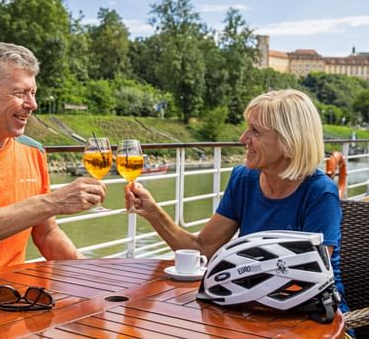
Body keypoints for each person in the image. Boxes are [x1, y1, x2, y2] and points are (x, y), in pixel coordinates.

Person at [125, 89, 349, 314]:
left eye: (255, 131)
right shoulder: (244, 179)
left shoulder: (320, 193)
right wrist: (153, 212)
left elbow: (307, 280)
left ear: (289, 141)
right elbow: (202, 249)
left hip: (316, 315)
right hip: (254, 306)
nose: (243, 139)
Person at [0, 42, 106, 277]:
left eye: (32, 93)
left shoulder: (34, 151)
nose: (32, 104)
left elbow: (46, 233)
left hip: (10, 296)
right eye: (20, 93)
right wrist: (53, 202)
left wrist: (92, 274)